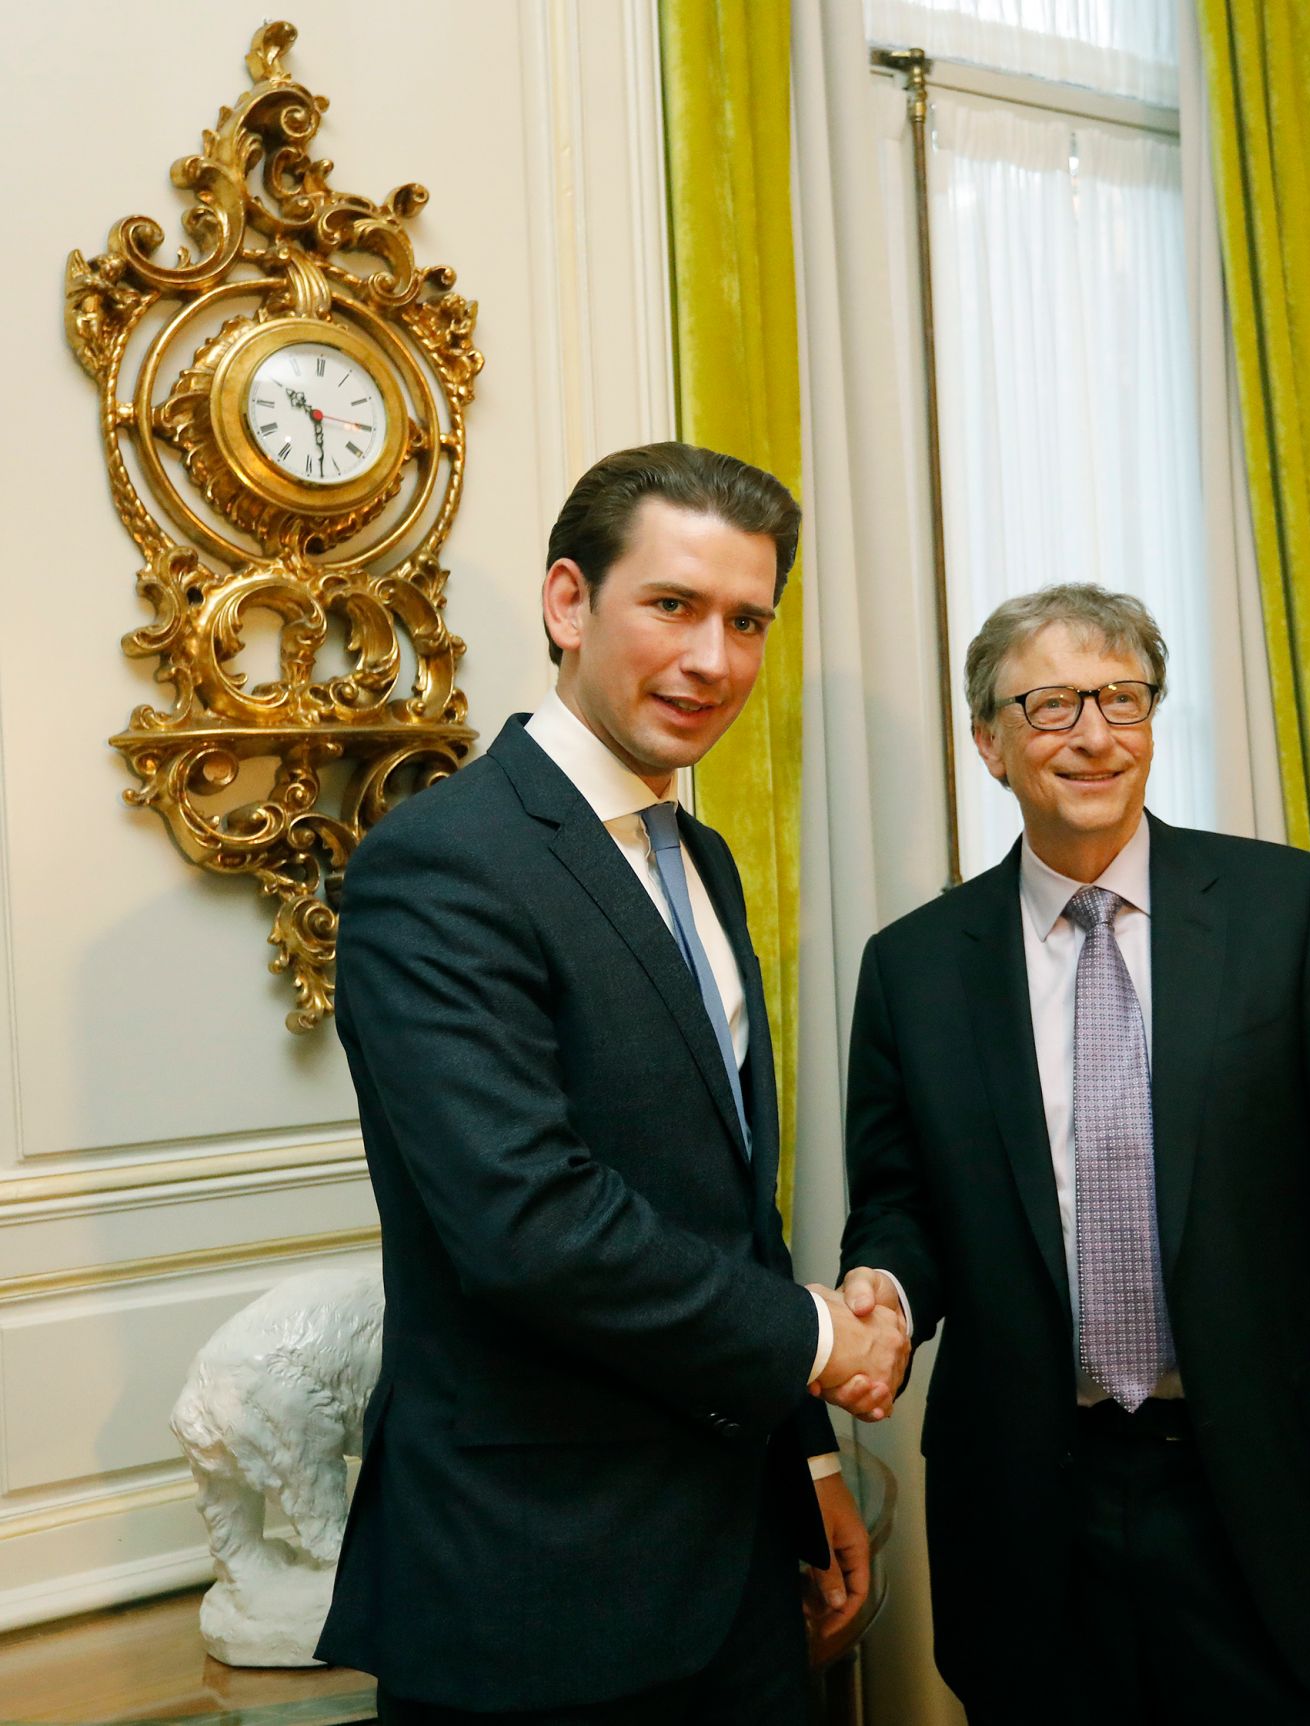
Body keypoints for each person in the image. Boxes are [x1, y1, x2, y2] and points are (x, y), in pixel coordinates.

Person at [315, 442, 907, 1724]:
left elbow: (728, 1214)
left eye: (747, 621)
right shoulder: (440, 863)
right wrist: (818, 1340)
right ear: (567, 603)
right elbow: (526, 1226)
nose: (714, 661)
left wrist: (804, 1462)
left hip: (737, 1562)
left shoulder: (702, 856)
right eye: (674, 606)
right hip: (537, 1582)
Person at [836, 584, 1310, 1724]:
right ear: (989, 741)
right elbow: (897, 1206)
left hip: (1259, 1487)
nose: (1092, 733)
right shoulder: (913, 967)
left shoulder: (1285, 909)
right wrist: (880, 1286)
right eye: (1050, 704)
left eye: (1120, 697)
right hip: (1028, 1506)